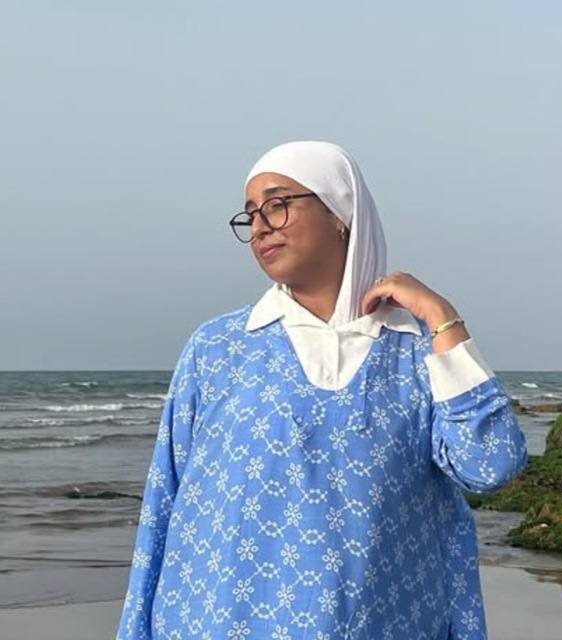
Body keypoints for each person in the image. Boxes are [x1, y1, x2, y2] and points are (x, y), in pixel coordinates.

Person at [116, 140, 528, 640]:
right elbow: (163, 502)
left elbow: (492, 465)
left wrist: (441, 317)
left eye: (278, 204)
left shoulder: (418, 350)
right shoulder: (217, 349)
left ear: (340, 213)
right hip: (216, 623)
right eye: (250, 214)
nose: (260, 226)